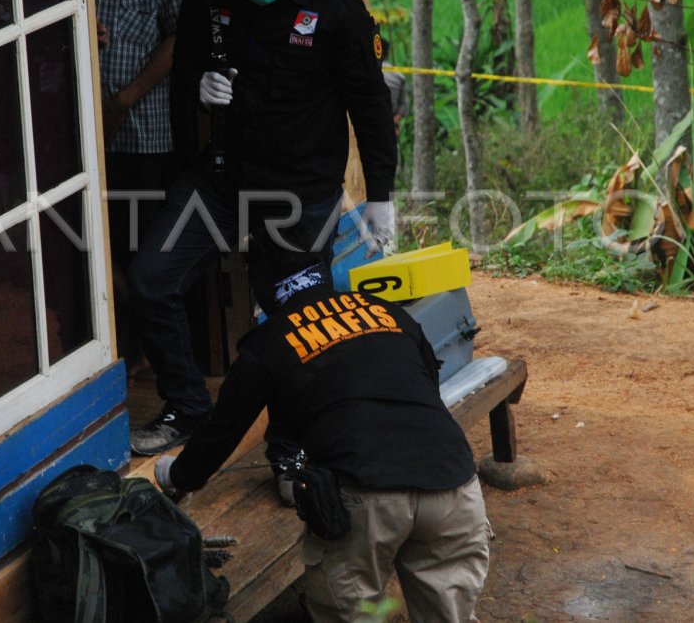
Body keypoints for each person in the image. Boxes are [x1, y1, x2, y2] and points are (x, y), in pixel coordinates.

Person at [127, 0, 398, 455]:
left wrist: (381, 197)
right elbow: (186, 68)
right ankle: (188, 406)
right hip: (222, 181)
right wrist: (200, 89)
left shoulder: (333, 6)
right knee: (151, 277)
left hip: (302, 192)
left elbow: (371, 108)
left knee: (302, 322)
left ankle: (293, 443)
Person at [153, 235, 491, 622]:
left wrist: (178, 474)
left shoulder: (267, 343)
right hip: (453, 484)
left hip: (367, 495)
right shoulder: (388, 313)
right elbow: (428, 386)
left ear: (262, 283)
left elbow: (221, 430)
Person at [89, 0, 189, 366]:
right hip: (86, 128)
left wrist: (121, 102)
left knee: (140, 246)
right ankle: (124, 349)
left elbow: (178, 40)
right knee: (94, 243)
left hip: (141, 130)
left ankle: (151, 349)